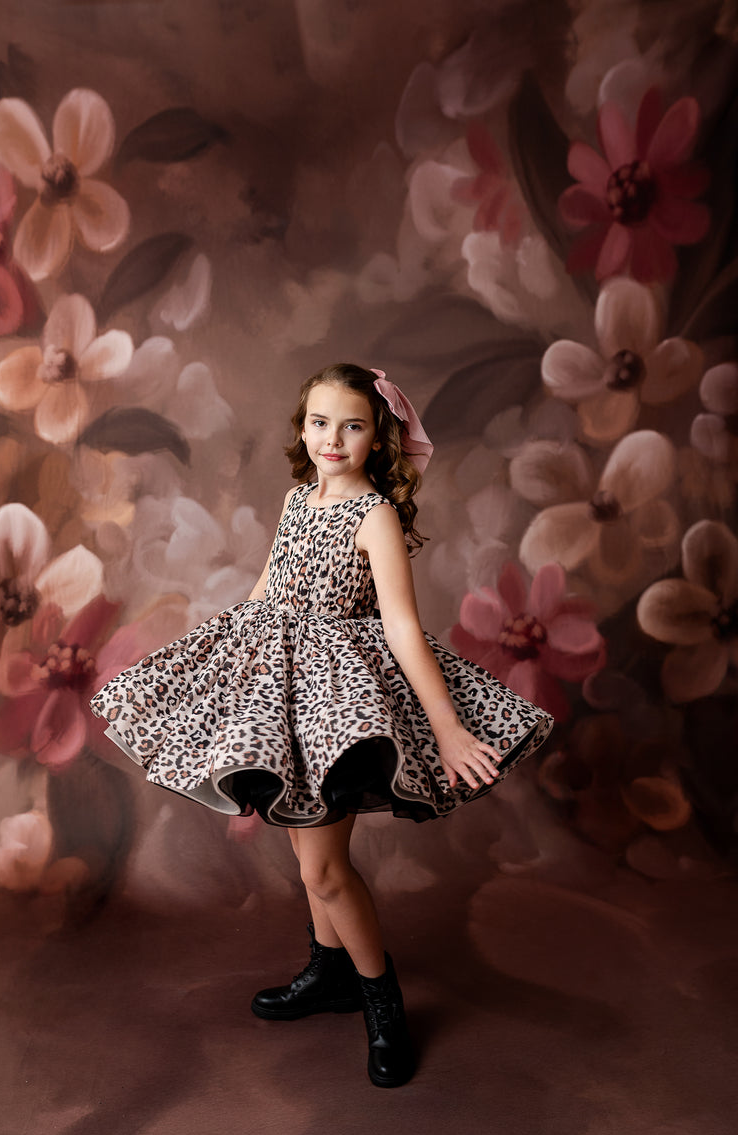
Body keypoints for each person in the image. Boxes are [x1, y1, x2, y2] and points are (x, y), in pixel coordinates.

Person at [90, 363, 553, 1089]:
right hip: (285, 684)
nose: (331, 439)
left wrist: (450, 728)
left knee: (324, 869)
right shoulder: (297, 498)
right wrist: (228, 669)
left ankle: (382, 1001)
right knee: (310, 855)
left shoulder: (374, 517)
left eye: (352, 425)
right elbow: (268, 590)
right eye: (318, 422)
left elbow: (400, 625)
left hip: (341, 702)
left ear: (380, 438)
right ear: (301, 428)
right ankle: (330, 972)